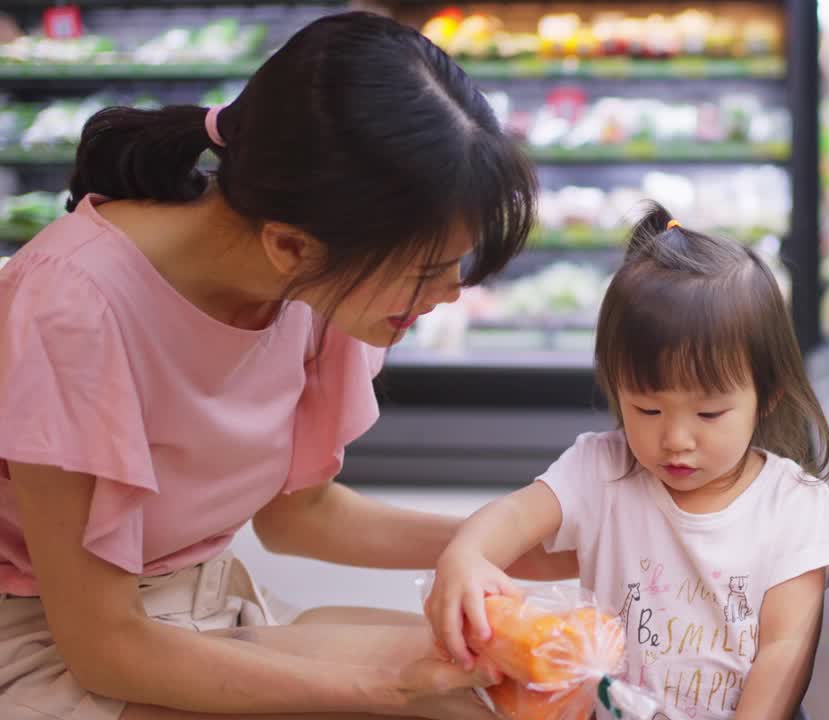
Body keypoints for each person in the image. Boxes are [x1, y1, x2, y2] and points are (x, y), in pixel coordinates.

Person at [0, 11, 576, 720]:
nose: (452, 293)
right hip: (57, 651)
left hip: (209, 614)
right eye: (427, 270)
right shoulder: (73, 306)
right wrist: (381, 692)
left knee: (521, 689)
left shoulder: (316, 276)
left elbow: (298, 516)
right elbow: (105, 645)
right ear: (291, 246)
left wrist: (524, 548)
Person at [427, 205, 829, 720]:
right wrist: (467, 554)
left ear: (768, 395)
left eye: (709, 412)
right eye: (646, 408)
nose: (675, 439)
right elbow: (516, 516)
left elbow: (786, 646)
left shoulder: (793, 503)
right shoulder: (601, 469)